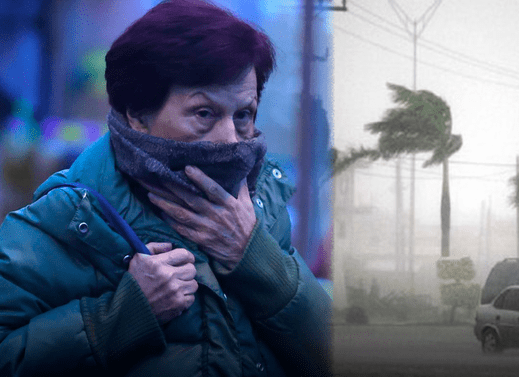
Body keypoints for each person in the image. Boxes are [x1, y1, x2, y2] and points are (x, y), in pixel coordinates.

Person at [0, 1, 332, 376]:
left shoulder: (261, 204)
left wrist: (255, 256)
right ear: (137, 115)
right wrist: (122, 314)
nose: (229, 140)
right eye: (204, 113)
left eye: (243, 115)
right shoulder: (69, 219)